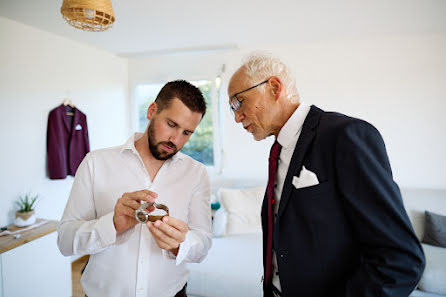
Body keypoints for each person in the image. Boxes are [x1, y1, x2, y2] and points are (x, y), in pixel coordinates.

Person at [227, 53, 425, 297]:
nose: (236, 117)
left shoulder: (345, 136)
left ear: (274, 87)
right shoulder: (278, 151)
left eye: (239, 102)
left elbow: (400, 260)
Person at [58, 80, 212, 297]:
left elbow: (203, 244)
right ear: (152, 111)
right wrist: (111, 225)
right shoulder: (95, 163)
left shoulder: (196, 174)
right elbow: (65, 241)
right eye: (171, 124)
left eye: (187, 133)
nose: (175, 140)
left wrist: (180, 245)